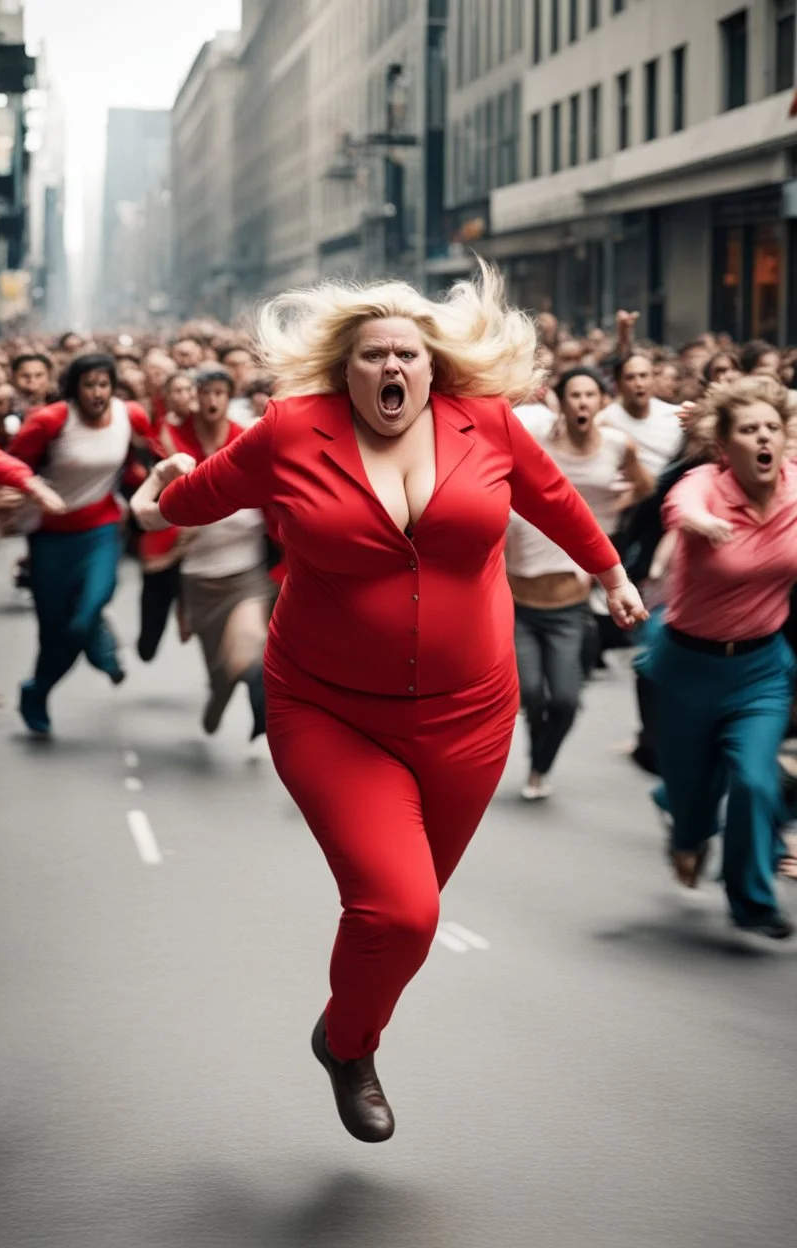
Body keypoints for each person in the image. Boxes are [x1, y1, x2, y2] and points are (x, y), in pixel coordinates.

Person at [131, 265, 645, 1142]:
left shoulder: (482, 424)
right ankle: (352, 1046)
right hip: (331, 710)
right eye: (373, 356)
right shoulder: (293, 431)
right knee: (400, 910)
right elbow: (200, 493)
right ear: (347, 370)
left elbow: (549, 496)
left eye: (407, 353)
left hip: (471, 714)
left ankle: (341, 1031)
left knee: (408, 916)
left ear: (432, 367)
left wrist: (609, 571)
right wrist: (151, 506)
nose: (391, 368)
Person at [646, 375, 797, 939]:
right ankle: (686, 832)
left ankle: (752, 898)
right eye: (749, 428)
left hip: (760, 670)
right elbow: (678, 506)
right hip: (688, 667)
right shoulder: (704, 483)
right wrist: (702, 522)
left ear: (785, 438)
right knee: (692, 795)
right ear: (724, 444)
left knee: (755, 780)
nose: (763, 437)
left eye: (772, 428)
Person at [508, 367, 652, 799]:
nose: (583, 403)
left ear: (600, 401)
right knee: (532, 693)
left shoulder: (611, 448)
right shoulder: (535, 448)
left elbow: (646, 487)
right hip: (521, 606)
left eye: (591, 394)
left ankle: (540, 765)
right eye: (575, 395)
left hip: (570, 607)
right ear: (561, 401)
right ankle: (537, 759)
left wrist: (608, 515)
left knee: (566, 701)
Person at [1, 353, 159, 736]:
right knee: (54, 630)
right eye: (89, 385)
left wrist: (149, 479)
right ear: (74, 389)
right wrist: (13, 499)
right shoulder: (50, 420)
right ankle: (39, 690)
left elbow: (156, 452)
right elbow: (12, 466)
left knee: (87, 612)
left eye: (104, 384)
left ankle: (61, 669)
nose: (97, 393)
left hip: (101, 531)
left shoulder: (130, 415)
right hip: (50, 537)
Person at [144, 366, 269, 735]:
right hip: (198, 574)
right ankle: (218, 696)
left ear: (230, 398)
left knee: (250, 648)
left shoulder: (247, 436)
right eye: (205, 392)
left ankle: (260, 703)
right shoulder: (172, 437)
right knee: (220, 664)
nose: (212, 400)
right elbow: (156, 497)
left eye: (220, 392)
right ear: (194, 397)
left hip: (246, 570)